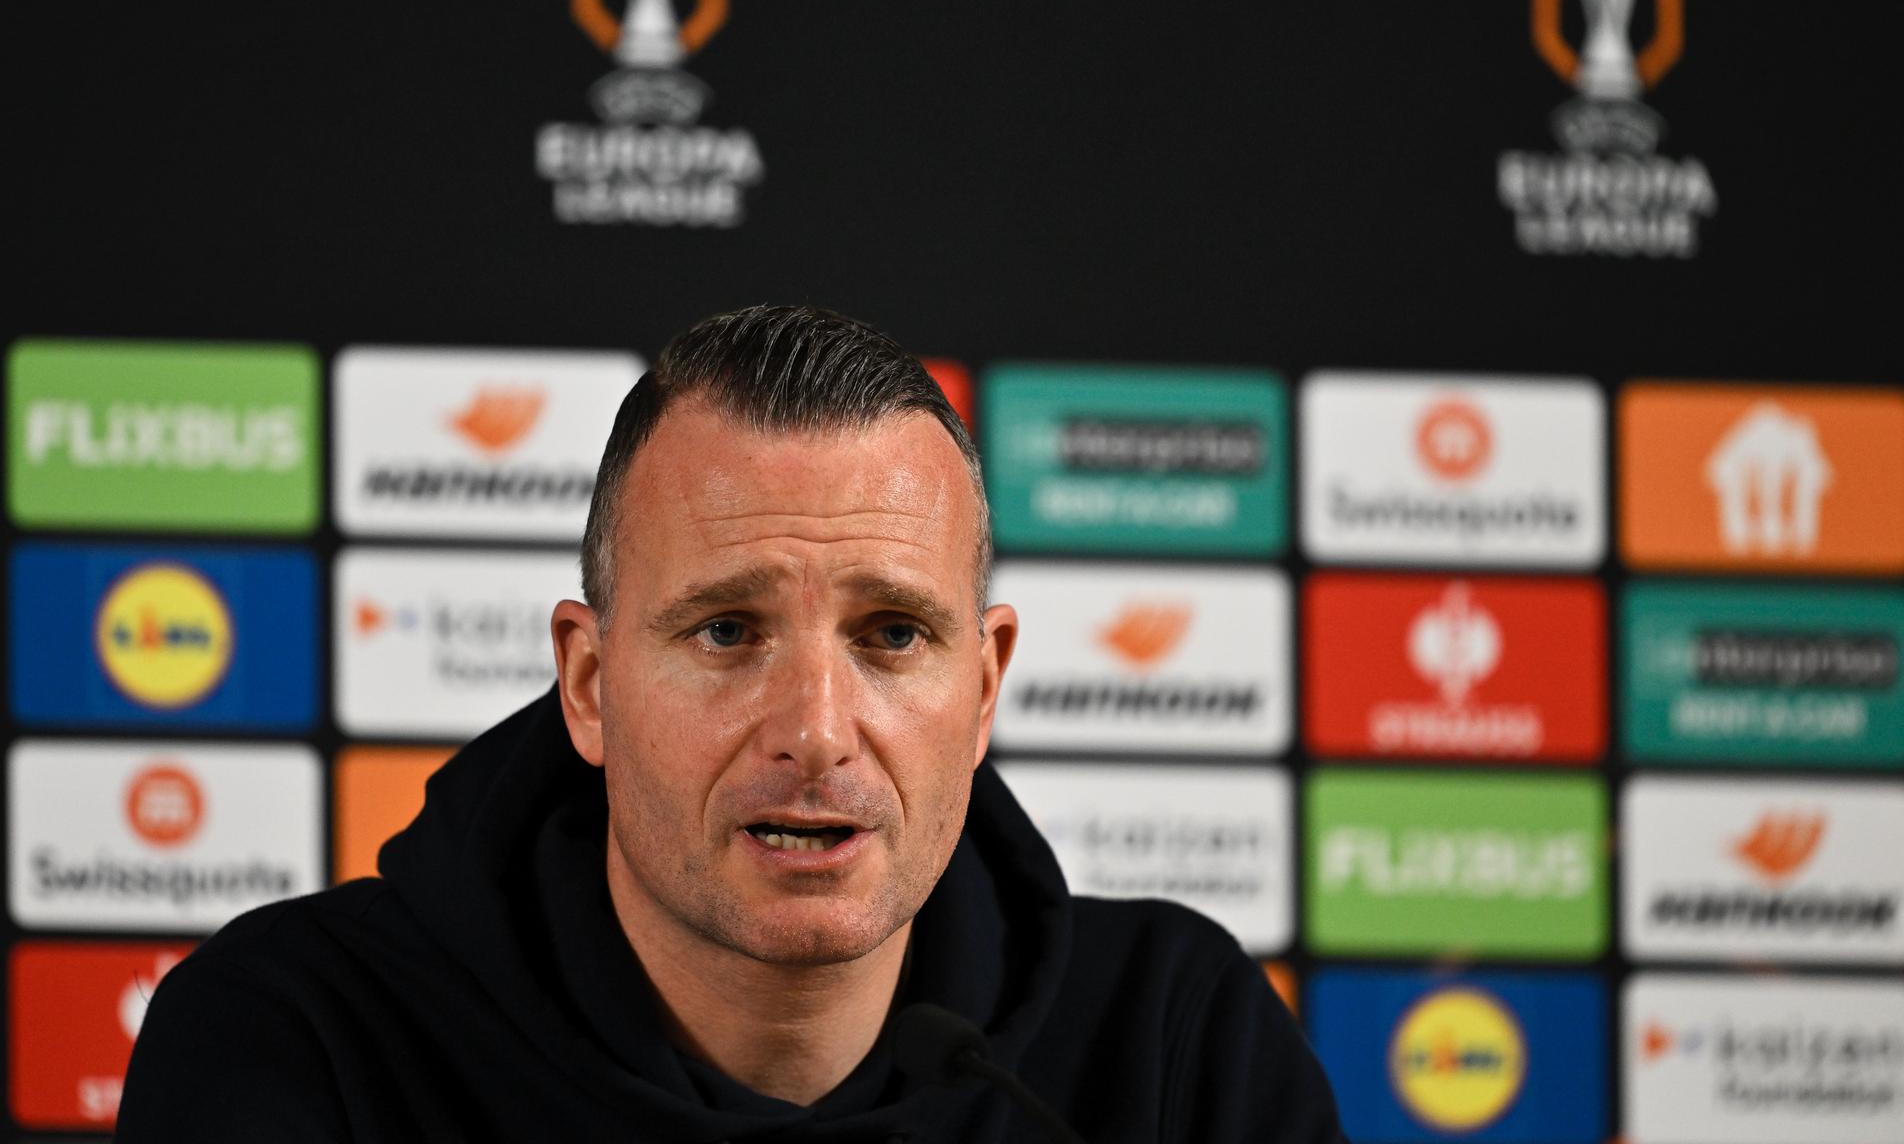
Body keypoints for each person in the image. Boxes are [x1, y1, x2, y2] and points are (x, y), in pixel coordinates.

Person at [119, 306, 1346, 1142]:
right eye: (726, 632)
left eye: (892, 635)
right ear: (589, 683)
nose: (815, 730)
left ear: (984, 687)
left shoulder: (1181, 1053)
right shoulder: (299, 1038)